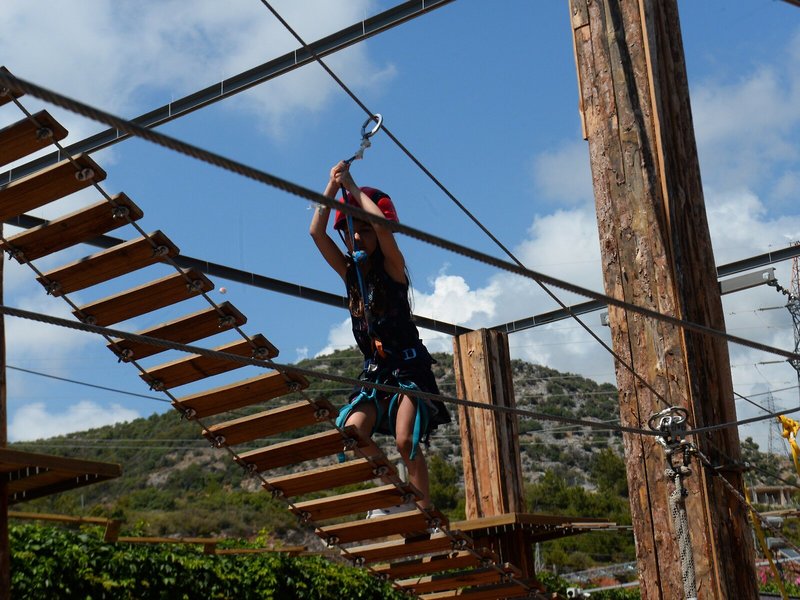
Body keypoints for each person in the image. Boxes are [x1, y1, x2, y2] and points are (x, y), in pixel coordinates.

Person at [309, 161, 450, 509]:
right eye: (351, 230)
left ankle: (424, 510)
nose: (358, 237)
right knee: (353, 433)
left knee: (405, 441)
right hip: (375, 373)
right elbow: (316, 232)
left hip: (407, 368)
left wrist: (352, 188)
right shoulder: (350, 274)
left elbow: (383, 228)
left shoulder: (393, 268)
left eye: (365, 229)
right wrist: (332, 187)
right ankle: (399, 495)